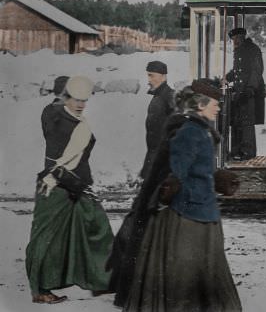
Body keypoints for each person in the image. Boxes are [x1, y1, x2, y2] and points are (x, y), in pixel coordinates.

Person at [123, 79, 242, 312]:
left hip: (203, 210)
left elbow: (195, 168)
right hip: (190, 215)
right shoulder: (190, 131)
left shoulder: (201, 130)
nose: (218, 107)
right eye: (215, 103)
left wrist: (216, 177)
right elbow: (178, 171)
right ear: (200, 105)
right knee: (189, 270)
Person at [26, 76, 114, 305]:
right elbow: (58, 159)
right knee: (46, 239)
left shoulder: (78, 121)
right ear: (64, 97)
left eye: (84, 100)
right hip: (57, 185)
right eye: (75, 99)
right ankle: (40, 290)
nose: (80, 104)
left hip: (77, 185)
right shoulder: (56, 117)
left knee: (99, 228)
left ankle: (103, 280)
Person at [225, 27, 265, 160]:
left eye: (236, 38)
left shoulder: (252, 49)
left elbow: (256, 71)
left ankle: (248, 152)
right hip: (239, 91)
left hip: (249, 92)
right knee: (237, 121)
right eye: (233, 39)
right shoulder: (239, 50)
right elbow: (237, 71)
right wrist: (225, 78)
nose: (234, 41)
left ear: (242, 37)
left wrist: (250, 89)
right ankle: (236, 150)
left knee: (247, 122)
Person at [139, 61, 175, 179]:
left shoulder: (168, 96)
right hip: (154, 152)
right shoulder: (158, 96)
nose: (149, 80)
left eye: (152, 75)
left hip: (162, 154)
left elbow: (175, 126)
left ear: (163, 76)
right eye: (148, 75)